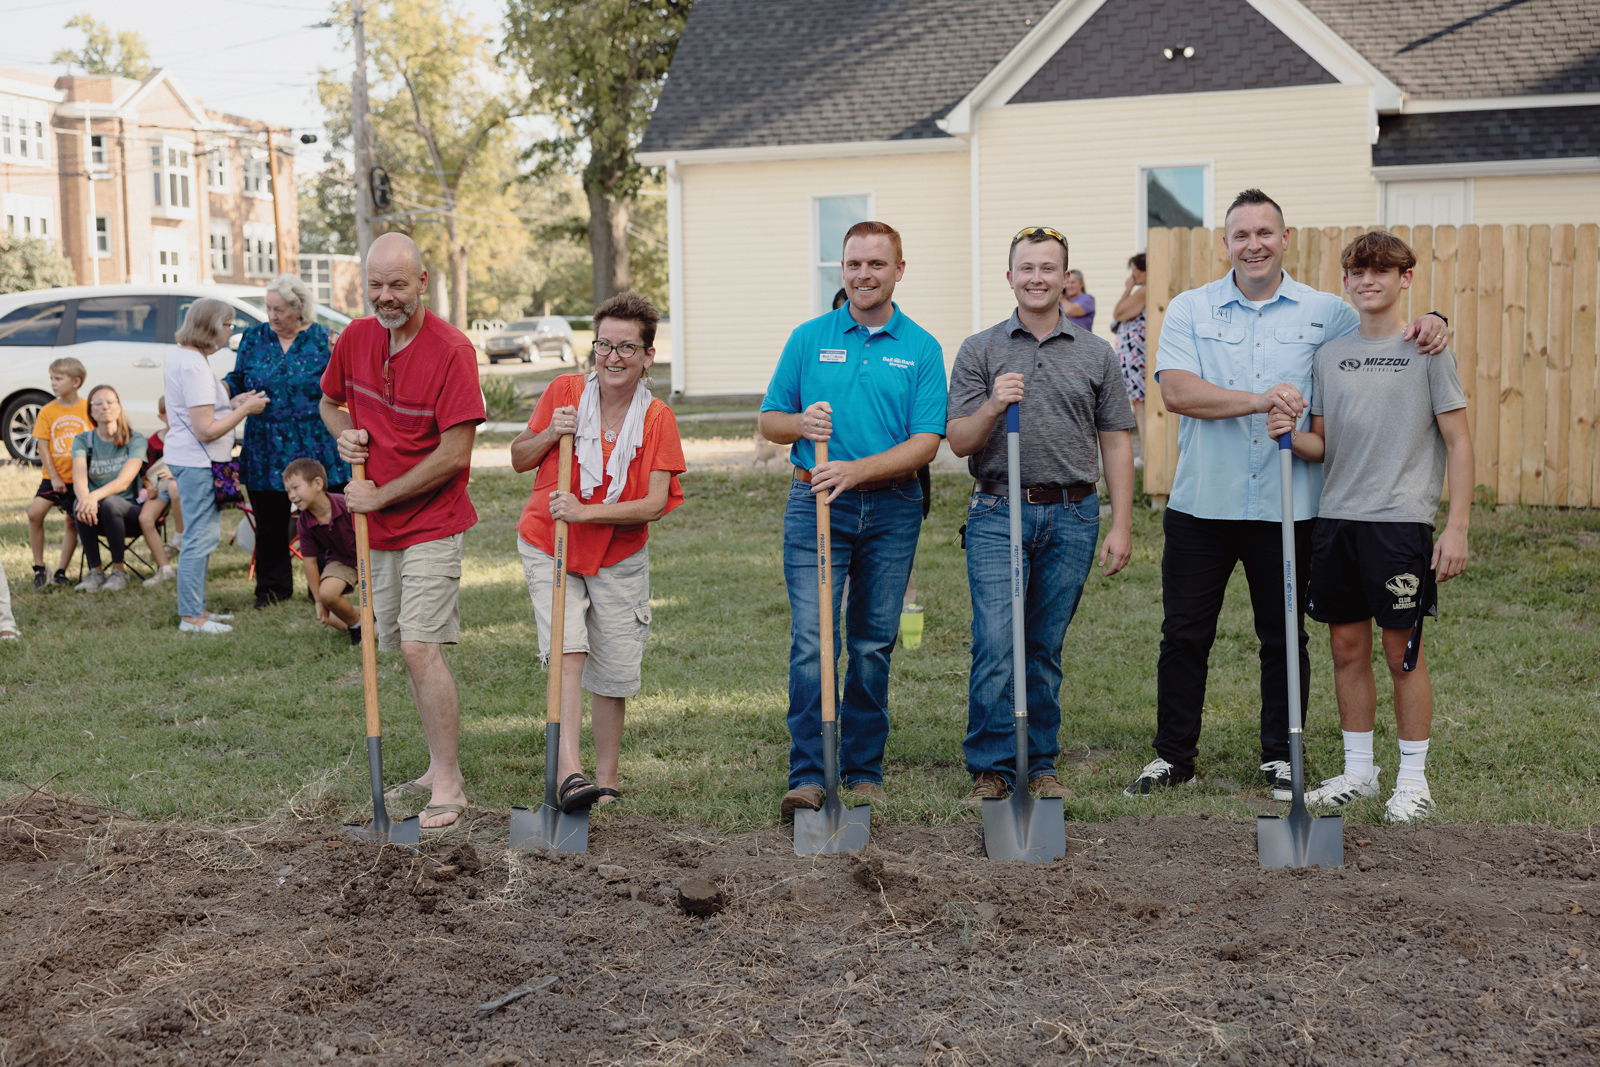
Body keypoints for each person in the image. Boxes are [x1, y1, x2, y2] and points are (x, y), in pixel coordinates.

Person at [1126, 188, 1450, 800]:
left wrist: (1435, 319)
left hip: (1291, 508)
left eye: (1265, 233)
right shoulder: (1193, 309)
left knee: (1282, 634)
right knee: (1185, 633)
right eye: (1241, 235)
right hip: (1202, 504)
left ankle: (1281, 753)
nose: (1254, 245)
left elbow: (1384, 323)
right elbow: (1176, 393)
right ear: (1226, 243)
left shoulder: (1326, 312)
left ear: (1286, 238)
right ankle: (1173, 757)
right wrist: (1259, 400)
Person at [1267, 231, 1471, 823]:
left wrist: (1455, 527)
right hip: (1337, 520)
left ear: (1405, 279)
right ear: (1347, 281)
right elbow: (1322, 445)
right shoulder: (1330, 355)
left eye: (1381, 272)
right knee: (1345, 645)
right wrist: (1289, 432)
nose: (1367, 282)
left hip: (1399, 523)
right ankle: (1359, 772)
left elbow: (1459, 442)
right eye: (1357, 273)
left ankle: (1413, 780)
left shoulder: (1429, 352)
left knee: (1400, 649)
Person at [759, 220, 947, 818]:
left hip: (892, 509)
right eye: (853, 264)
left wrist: (856, 470)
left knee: (871, 643)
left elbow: (926, 443)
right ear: (842, 269)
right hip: (813, 504)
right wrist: (801, 423)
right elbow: (769, 420)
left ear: (898, 270)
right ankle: (810, 774)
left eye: (876, 264)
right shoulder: (809, 338)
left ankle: (863, 771)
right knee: (814, 642)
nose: (864, 274)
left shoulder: (920, 347)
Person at [947, 226, 1136, 807]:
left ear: (1065, 278)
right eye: (1026, 268)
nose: (1037, 278)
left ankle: (1041, 762)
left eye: (1048, 268)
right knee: (997, 643)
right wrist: (996, 403)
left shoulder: (1096, 353)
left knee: (1044, 647)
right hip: (998, 509)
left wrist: (1121, 522)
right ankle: (992, 764)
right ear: (1010, 277)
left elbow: (1116, 441)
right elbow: (957, 440)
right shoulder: (980, 350)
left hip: (1074, 515)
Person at [319, 231, 486, 833]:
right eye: (375, 285)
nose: (385, 297)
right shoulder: (357, 339)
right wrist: (344, 433)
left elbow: (455, 452)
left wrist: (380, 493)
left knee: (421, 646)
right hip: (378, 528)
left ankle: (449, 782)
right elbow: (329, 402)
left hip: (432, 521)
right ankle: (433, 766)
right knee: (401, 649)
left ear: (422, 282)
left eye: (397, 284)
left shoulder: (451, 349)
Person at [511, 291, 685, 810]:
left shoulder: (658, 420)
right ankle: (570, 773)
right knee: (568, 649)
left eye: (626, 348)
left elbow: (654, 503)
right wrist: (548, 434)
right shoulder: (564, 391)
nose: (613, 357)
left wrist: (584, 512)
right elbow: (519, 457)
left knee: (613, 668)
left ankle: (605, 781)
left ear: (647, 356)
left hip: (618, 555)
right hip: (550, 543)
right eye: (604, 345)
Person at [226, 273, 350, 609]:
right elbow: (236, 380)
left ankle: (328, 588)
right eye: (268, 308)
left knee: (326, 521)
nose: (272, 316)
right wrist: (233, 397)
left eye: (279, 309)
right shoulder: (253, 339)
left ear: (299, 309)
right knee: (269, 524)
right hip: (266, 447)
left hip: (315, 446)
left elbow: (344, 384)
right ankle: (272, 591)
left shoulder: (324, 339)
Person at [164, 299, 270, 634]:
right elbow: (205, 429)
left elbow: (201, 411)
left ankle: (198, 609)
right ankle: (191, 617)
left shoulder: (186, 357)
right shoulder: (194, 365)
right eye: (228, 324)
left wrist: (230, 403)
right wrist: (246, 410)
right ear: (211, 327)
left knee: (202, 537)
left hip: (192, 458)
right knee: (200, 538)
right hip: (198, 462)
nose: (231, 331)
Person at [69, 385, 149, 593]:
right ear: (91, 411)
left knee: (109, 502)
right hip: (94, 515)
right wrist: (86, 500)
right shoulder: (82, 440)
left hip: (129, 512)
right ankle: (95, 571)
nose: (105, 407)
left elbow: (124, 482)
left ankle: (119, 571)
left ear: (119, 407)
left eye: (110, 401)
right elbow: (79, 479)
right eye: (98, 403)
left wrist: (93, 497)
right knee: (79, 502)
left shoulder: (135, 439)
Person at [283, 457, 362, 647]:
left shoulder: (346, 504)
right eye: (287, 491)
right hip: (342, 560)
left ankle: (377, 619)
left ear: (317, 483)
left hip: (370, 557)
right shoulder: (303, 522)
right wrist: (319, 601)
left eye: (295, 487)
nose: (291, 496)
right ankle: (357, 627)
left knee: (388, 605)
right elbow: (309, 562)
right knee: (328, 597)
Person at [28, 357, 87, 589]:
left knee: (72, 522)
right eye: (52, 378)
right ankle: (39, 567)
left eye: (58, 379)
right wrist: (53, 476)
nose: (53, 383)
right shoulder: (48, 411)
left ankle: (62, 571)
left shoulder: (86, 409)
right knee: (35, 513)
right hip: (53, 476)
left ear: (76, 382)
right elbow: (42, 446)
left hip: (79, 479)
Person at [137, 395, 184, 587]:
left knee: (175, 488)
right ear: (160, 416)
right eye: (169, 414)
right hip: (159, 488)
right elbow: (144, 472)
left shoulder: (188, 438)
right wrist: (149, 487)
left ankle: (179, 537)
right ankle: (164, 569)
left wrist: (176, 474)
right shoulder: (154, 441)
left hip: (180, 485)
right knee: (145, 519)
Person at [1111, 254, 1148, 459]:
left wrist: (1128, 287)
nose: (1133, 276)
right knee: (1138, 404)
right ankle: (1145, 453)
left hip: (1136, 357)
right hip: (1133, 356)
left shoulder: (1143, 290)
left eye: (1135, 271)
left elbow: (1119, 313)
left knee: (1140, 405)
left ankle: (1145, 455)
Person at [1062, 269, 1095, 333]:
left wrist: (1061, 298)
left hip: (1082, 341)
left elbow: (1070, 311)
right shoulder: (1058, 301)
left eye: (1073, 282)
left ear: (1081, 284)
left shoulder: (1088, 299)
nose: (1069, 286)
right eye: (1067, 282)